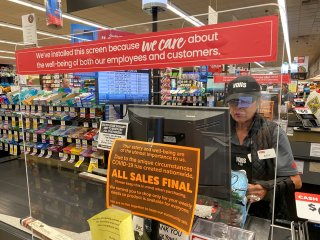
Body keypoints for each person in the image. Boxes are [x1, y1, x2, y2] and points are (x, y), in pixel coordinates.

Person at [225, 76, 302, 220]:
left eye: (245, 101)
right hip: (227, 209)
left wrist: (266, 188)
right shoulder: (220, 130)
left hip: (263, 213)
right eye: (233, 101)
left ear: (258, 102)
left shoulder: (273, 133)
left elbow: (296, 181)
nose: (238, 107)